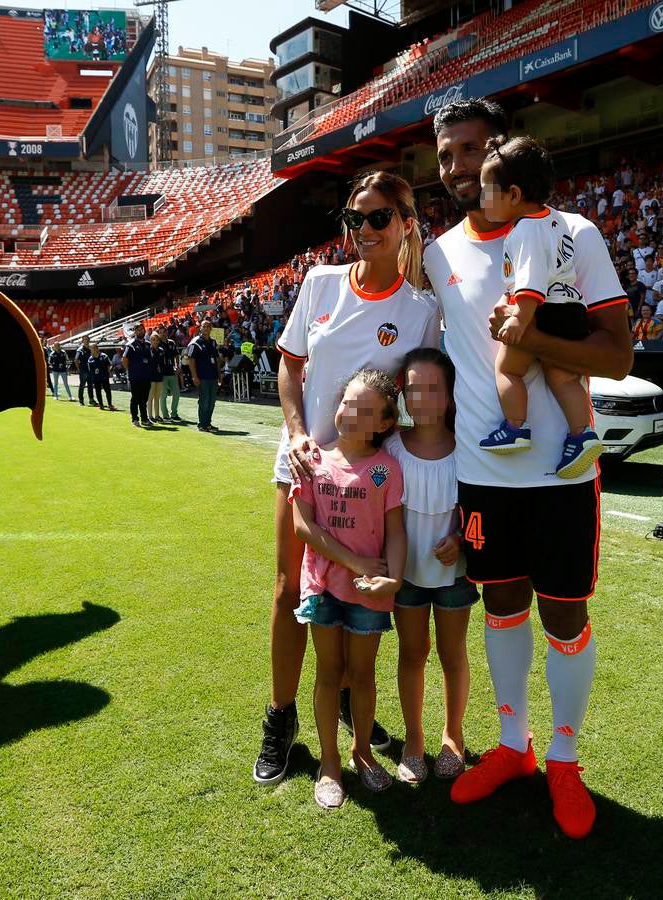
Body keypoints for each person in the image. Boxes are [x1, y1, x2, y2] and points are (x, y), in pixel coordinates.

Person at [425, 98, 633, 840]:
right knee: (502, 606)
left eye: (470, 152)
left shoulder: (573, 235)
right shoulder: (437, 252)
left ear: (502, 153)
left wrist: (534, 335)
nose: (456, 169)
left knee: (565, 614)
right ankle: (513, 748)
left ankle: (565, 759)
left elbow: (617, 355)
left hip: (563, 477)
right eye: (446, 155)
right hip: (485, 474)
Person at [253, 170, 440, 788]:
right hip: (305, 461)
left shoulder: (420, 313)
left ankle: (347, 714)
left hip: (368, 482)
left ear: (406, 224)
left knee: (359, 596)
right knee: (290, 594)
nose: (362, 230)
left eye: (378, 218)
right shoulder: (320, 281)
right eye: (354, 219)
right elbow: (290, 365)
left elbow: (419, 399)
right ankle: (280, 719)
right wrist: (297, 429)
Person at [290, 369, 405, 807]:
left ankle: (360, 753)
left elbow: (396, 532)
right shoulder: (313, 459)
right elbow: (303, 526)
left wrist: (392, 577)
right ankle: (330, 762)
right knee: (328, 673)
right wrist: (355, 561)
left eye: (362, 410)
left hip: (369, 594)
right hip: (323, 588)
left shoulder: (386, 469)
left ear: (383, 424)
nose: (348, 413)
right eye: (346, 402)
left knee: (362, 676)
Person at [476, 135, 603, 480]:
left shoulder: (523, 231)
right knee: (562, 376)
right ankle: (581, 433)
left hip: (542, 311)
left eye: (487, 190)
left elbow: (531, 281)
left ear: (514, 195)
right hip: (571, 310)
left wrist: (520, 318)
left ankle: (515, 427)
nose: (481, 197)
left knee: (507, 370)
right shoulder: (556, 221)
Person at [385, 349, 477, 784]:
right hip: (406, 579)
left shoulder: (469, 448)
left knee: (451, 654)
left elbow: (479, 507)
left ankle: (453, 736)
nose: (422, 398)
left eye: (433, 389)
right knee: (412, 653)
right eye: (413, 388)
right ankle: (414, 740)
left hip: (455, 578)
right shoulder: (390, 448)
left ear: (451, 395)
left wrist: (459, 539)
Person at [187, 319, 220, 433]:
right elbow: (191, 360)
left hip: (213, 376)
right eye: (203, 326)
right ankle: (202, 424)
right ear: (200, 328)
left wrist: (219, 375)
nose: (206, 328)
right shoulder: (195, 342)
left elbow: (216, 360)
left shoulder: (213, 342)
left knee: (212, 401)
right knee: (204, 401)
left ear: (211, 329)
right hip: (202, 377)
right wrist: (194, 376)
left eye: (208, 326)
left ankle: (208, 423)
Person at [122, 323, 152, 427]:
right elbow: (124, 359)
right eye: (138, 330)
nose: (141, 331)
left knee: (144, 399)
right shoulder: (130, 345)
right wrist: (130, 370)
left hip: (146, 376)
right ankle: (135, 419)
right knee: (135, 398)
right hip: (135, 376)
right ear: (135, 332)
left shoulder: (148, 344)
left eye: (142, 329)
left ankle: (144, 419)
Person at [158, 329, 182, 423]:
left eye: (165, 332)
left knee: (176, 393)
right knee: (163, 395)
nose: (163, 334)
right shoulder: (157, 343)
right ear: (159, 333)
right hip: (162, 373)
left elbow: (176, 355)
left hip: (172, 372)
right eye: (161, 332)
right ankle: (165, 415)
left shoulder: (171, 343)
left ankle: (174, 414)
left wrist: (177, 366)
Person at [88, 341, 116, 410]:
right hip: (96, 378)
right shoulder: (90, 359)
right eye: (91, 349)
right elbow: (90, 369)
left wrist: (108, 371)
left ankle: (110, 405)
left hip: (104, 377)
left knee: (108, 391)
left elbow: (110, 364)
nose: (92, 350)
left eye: (94, 348)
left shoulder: (104, 356)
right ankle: (101, 405)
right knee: (98, 391)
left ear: (97, 349)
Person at [147, 331, 165, 423]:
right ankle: (150, 416)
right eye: (153, 339)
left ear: (158, 341)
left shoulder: (161, 350)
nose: (154, 341)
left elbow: (162, 364)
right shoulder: (148, 350)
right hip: (150, 376)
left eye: (156, 339)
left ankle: (157, 415)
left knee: (157, 397)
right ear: (150, 341)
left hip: (159, 376)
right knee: (150, 397)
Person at [73, 335, 95, 407]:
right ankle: (81, 400)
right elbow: (76, 360)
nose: (86, 341)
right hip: (83, 370)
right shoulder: (80, 350)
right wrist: (79, 369)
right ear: (82, 341)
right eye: (85, 339)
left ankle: (91, 400)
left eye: (87, 339)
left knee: (90, 386)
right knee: (82, 385)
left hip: (90, 370)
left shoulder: (91, 349)